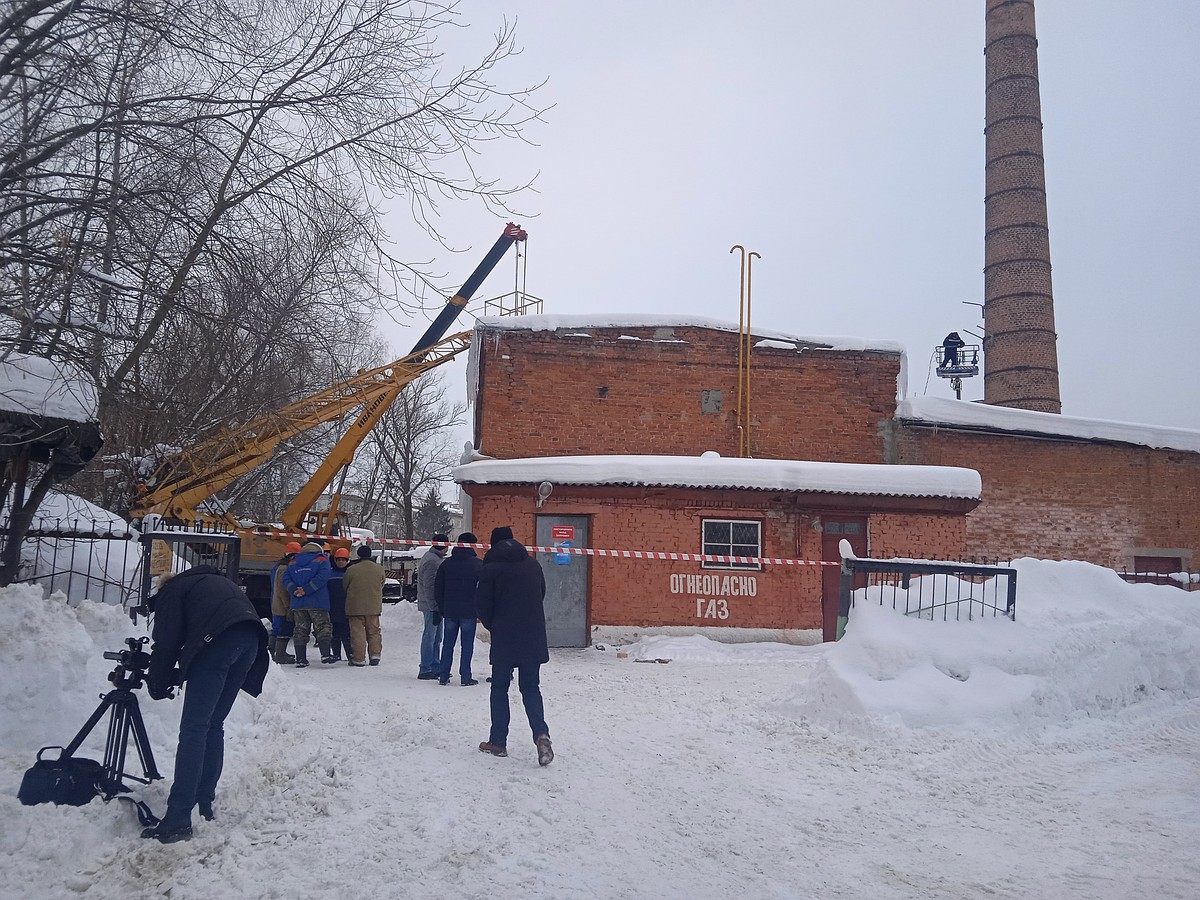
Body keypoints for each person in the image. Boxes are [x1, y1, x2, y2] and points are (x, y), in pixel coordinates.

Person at [141, 566, 270, 843]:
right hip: (250, 642)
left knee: (194, 730)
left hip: (219, 643)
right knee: (213, 725)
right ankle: (203, 802)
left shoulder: (173, 592)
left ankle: (177, 818)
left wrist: (156, 681)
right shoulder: (211, 582)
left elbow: (167, 642)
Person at [475, 526, 554, 766]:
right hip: (532, 635)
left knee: (499, 687)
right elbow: (541, 593)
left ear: (493, 544)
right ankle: (541, 734)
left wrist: (494, 626)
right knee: (531, 687)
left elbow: (483, 606)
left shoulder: (490, 569)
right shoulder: (533, 565)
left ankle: (498, 741)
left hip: (504, 637)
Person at [434, 531, 482, 686]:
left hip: (450, 610)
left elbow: (438, 588)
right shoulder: (478, 565)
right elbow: (482, 589)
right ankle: (465, 676)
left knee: (448, 644)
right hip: (469, 610)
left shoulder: (446, 564)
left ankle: (443, 675)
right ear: (472, 545)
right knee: (467, 646)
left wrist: (442, 608)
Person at [284, 541, 334, 666]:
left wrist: (295, 590)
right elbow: (323, 577)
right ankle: (325, 655)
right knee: (323, 627)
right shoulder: (322, 560)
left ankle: (300, 659)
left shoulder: (293, 561)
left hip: (298, 602)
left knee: (300, 629)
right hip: (317, 602)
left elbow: (285, 579)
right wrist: (306, 589)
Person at [343, 543, 385, 666]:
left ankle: (359, 658)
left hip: (355, 606)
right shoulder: (379, 569)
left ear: (359, 555)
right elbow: (382, 584)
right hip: (373, 606)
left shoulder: (351, 569)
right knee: (374, 631)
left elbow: (345, 586)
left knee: (357, 633)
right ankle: (375, 655)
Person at [415, 533, 448, 680]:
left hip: (434, 605)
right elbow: (430, 587)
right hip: (431, 605)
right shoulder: (432, 561)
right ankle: (425, 668)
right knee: (430, 636)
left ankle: (435, 666)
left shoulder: (435, 559)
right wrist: (434, 607)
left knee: (436, 637)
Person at [269, 542, 301, 664]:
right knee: (282, 629)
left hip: (277, 603)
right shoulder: (285, 569)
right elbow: (283, 591)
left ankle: (274, 653)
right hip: (282, 606)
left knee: (278, 628)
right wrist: (288, 606)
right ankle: (278, 654)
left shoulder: (278, 566)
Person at [327, 547, 353, 662]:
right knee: (335, 633)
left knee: (346, 633)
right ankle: (336, 654)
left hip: (346, 607)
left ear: (347, 561)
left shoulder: (350, 573)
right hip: (332, 607)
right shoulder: (330, 573)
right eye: (338, 560)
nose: (341, 562)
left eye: (343, 560)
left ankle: (350, 655)